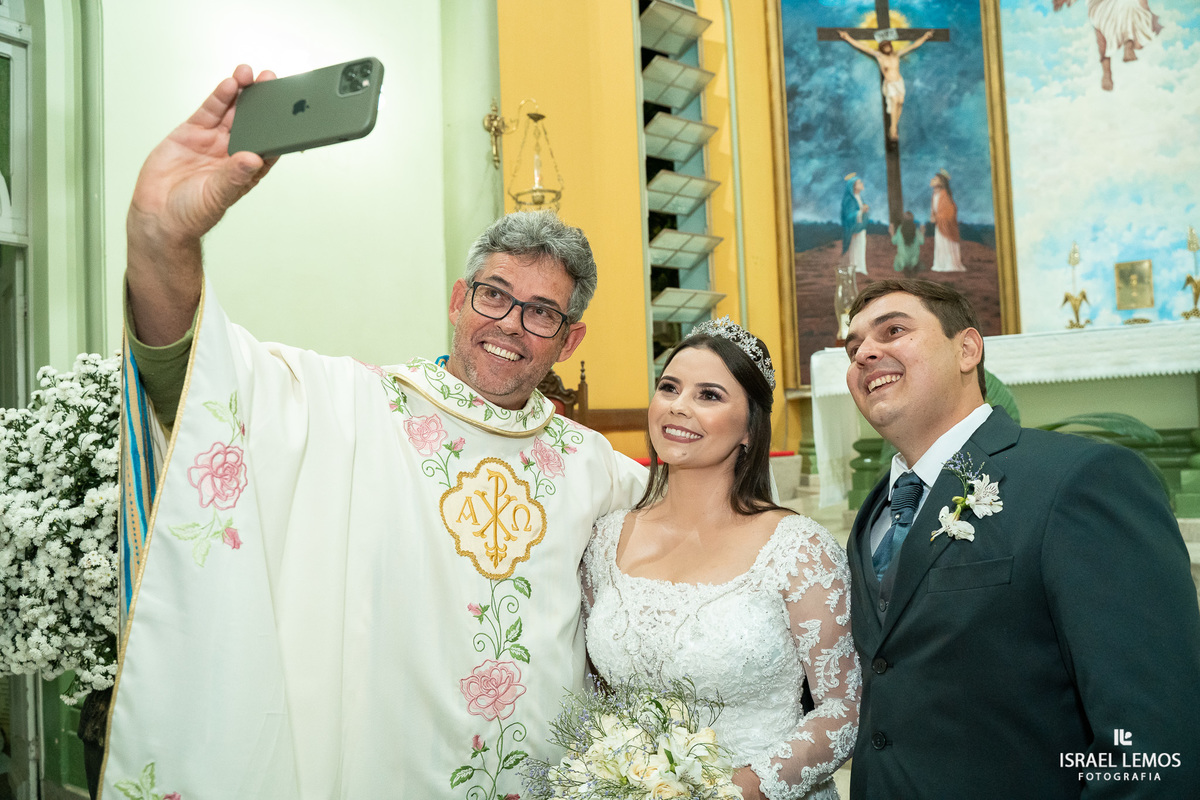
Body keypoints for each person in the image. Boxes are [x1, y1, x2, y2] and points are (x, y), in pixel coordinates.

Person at [106, 65, 647, 799]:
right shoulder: (358, 411)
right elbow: (202, 379)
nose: (510, 326)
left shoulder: (599, 470)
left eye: (541, 312)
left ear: (569, 340)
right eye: (494, 295)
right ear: (460, 300)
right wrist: (160, 237)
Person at [841, 278, 1200, 798]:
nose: (865, 353)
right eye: (853, 349)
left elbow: (1154, 735)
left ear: (967, 349)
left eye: (893, 330)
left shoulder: (1081, 480)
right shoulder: (875, 512)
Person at [584, 317, 861, 800]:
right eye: (669, 387)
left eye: (708, 395)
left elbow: (843, 710)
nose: (678, 407)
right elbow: (594, 688)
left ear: (750, 429)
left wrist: (738, 791)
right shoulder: (607, 539)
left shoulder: (800, 550)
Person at [837, 30, 933, 141]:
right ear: (882, 48)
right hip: (890, 84)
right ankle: (893, 130)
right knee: (894, 101)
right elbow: (862, 47)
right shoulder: (880, 56)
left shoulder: (896, 55)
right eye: (885, 46)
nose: (887, 47)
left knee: (900, 102)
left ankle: (893, 128)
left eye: (888, 45)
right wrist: (847, 37)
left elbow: (913, 46)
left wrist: (925, 37)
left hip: (899, 82)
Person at [1054, 0, 1162, 91]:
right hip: (1100, 5)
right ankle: (1107, 72)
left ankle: (1129, 43)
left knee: (1130, 5)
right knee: (1102, 31)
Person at [928, 169, 964, 272]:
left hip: (946, 225)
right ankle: (941, 264)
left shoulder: (944, 194)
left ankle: (950, 265)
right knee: (940, 244)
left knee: (946, 243)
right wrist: (933, 216)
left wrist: (938, 217)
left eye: (935, 179)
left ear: (941, 182)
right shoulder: (935, 194)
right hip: (939, 225)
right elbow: (934, 209)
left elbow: (951, 210)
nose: (932, 180)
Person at [841, 174, 869, 275]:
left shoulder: (858, 197)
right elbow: (848, 216)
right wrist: (860, 211)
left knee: (861, 246)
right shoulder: (849, 199)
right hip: (853, 229)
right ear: (853, 186)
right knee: (854, 248)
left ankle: (861, 267)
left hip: (860, 228)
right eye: (859, 183)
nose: (862, 184)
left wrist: (863, 211)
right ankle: (855, 268)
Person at [889, 211, 924, 276]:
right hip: (914, 260)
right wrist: (922, 232)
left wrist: (891, 232)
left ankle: (904, 267)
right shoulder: (916, 230)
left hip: (902, 260)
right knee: (917, 261)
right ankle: (913, 267)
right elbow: (922, 241)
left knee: (898, 259)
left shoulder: (900, 229)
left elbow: (894, 241)